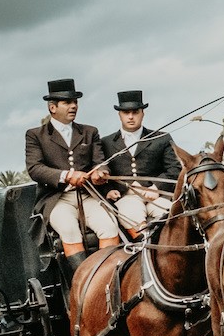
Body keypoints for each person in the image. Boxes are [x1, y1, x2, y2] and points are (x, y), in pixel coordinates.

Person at [24, 79, 118, 276]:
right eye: (67, 102)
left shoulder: (89, 132)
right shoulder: (35, 135)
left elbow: (100, 162)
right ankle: (86, 279)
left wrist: (101, 173)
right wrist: (66, 175)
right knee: (68, 229)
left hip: (88, 195)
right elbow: (35, 168)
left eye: (75, 101)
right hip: (57, 199)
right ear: (52, 107)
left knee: (109, 225)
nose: (73, 106)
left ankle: (107, 278)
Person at [98, 90, 179, 234]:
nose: (130, 117)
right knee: (135, 222)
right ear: (119, 114)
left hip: (157, 195)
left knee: (173, 218)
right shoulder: (106, 142)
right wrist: (109, 190)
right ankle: (145, 254)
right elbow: (101, 171)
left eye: (135, 112)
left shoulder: (162, 138)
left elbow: (175, 169)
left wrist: (156, 187)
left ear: (142, 113)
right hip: (126, 197)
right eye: (125, 112)